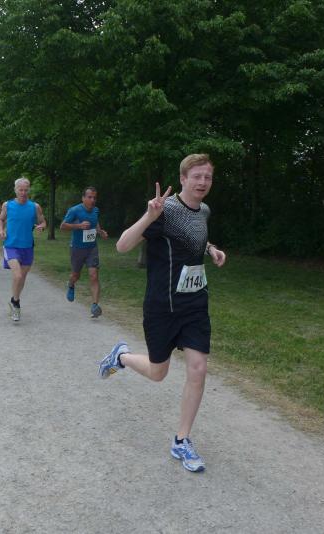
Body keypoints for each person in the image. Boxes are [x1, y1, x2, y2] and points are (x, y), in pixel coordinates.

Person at [98, 154, 227, 473]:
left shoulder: (204, 210)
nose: (202, 182)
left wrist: (211, 249)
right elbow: (122, 246)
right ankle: (122, 357)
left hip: (195, 304)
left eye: (208, 177)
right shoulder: (164, 210)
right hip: (162, 306)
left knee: (198, 368)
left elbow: (196, 236)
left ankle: (182, 440)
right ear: (183, 179)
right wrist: (149, 215)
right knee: (158, 373)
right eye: (196, 176)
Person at [0, 177, 47, 321]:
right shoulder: (8, 205)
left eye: (26, 190)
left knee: (22, 278)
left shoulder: (35, 207)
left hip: (27, 247)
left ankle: (14, 299)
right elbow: (1, 219)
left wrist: (41, 226)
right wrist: (1, 230)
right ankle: (16, 304)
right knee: (18, 275)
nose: (23, 193)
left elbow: (43, 221)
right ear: (15, 190)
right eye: (21, 190)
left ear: (29, 190)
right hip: (11, 245)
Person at [60, 186, 108, 317]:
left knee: (94, 275)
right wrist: (78, 226)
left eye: (94, 198)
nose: (92, 200)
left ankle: (95, 305)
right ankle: (71, 284)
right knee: (76, 275)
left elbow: (95, 222)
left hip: (92, 248)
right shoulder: (74, 210)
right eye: (89, 197)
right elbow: (63, 226)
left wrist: (100, 231)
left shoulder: (96, 210)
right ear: (83, 198)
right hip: (77, 248)